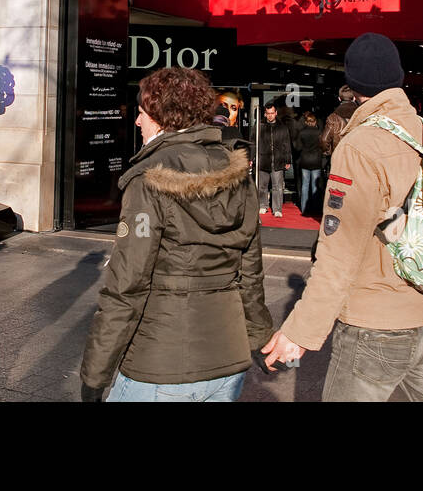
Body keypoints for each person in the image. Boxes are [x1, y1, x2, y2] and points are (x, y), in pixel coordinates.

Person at [261, 33, 423, 401]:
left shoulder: (359, 146)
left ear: (352, 85)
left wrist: (301, 331)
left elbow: (339, 250)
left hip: (377, 325)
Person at [80, 66, 273, 401]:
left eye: (141, 113)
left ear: (161, 118)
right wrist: (258, 337)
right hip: (228, 358)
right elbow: (251, 274)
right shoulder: (239, 175)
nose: (137, 121)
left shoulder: (148, 181)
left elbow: (127, 286)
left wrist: (95, 376)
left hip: (160, 364)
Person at [257, 103, 293, 218]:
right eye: (268, 113)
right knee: (262, 186)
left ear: (276, 113)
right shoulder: (259, 126)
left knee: (277, 186)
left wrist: (288, 160)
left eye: (272, 113)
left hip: (278, 160)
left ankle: (277, 209)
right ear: (265, 114)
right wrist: (252, 158)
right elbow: (253, 143)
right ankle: (263, 205)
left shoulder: (282, 127)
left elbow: (286, 144)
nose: (270, 116)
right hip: (263, 159)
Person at [320, 85, 359, 168]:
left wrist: (329, 153)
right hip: (357, 159)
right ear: (354, 98)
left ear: (339, 99)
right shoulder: (362, 115)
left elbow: (324, 140)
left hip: (339, 159)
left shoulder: (333, 118)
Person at [294, 112, 323, 217]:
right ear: (315, 122)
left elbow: (298, 147)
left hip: (305, 160)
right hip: (316, 160)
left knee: (305, 185)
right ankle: (315, 209)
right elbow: (323, 146)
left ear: (306, 122)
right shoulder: (319, 132)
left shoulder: (302, 133)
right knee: (315, 186)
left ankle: (304, 208)